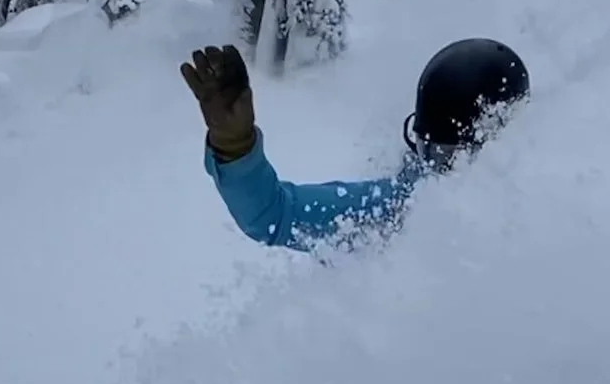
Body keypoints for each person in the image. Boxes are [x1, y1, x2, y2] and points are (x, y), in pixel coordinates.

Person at [179, 37, 530, 251]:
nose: (442, 169)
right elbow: (275, 216)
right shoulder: (398, 210)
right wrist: (235, 146)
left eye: (455, 155)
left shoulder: (551, 215)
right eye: (431, 152)